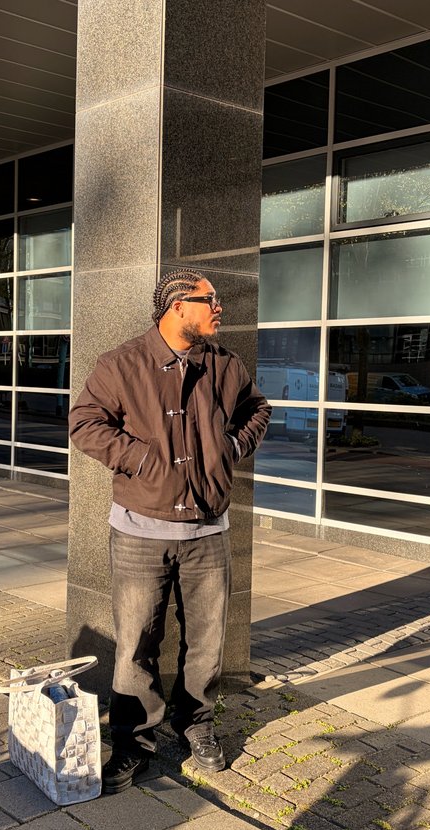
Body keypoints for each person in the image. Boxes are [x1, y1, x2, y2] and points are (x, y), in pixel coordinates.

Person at [69, 269, 271, 794]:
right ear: (179, 305)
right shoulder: (121, 363)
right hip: (140, 531)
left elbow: (257, 409)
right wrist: (142, 460)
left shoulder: (224, 364)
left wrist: (230, 449)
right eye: (210, 300)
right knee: (136, 644)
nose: (219, 308)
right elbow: (85, 423)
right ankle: (132, 743)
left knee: (206, 642)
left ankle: (196, 724)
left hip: (208, 531)